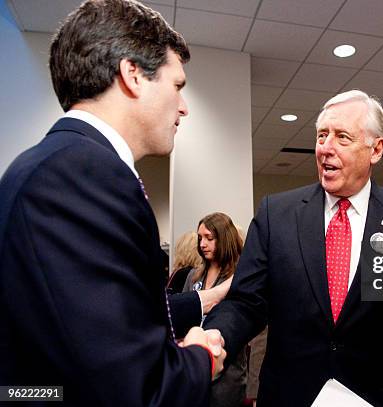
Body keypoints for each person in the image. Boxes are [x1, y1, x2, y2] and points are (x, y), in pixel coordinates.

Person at [0, 0, 225, 404]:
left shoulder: (52, 164)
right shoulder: (83, 176)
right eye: (177, 86)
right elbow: (133, 390)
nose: (184, 107)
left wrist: (205, 300)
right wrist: (201, 359)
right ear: (133, 75)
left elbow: (92, 321)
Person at [204, 90, 383, 407]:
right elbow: (247, 302)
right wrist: (217, 335)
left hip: (379, 398)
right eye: (321, 136)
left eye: (342, 137)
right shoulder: (277, 215)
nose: (325, 148)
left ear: (376, 149)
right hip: (290, 396)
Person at [182, 213, 247, 407]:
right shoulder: (194, 276)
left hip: (228, 374)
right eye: (200, 238)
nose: (202, 244)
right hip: (195, 367)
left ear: (224, 239)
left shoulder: (238, 278)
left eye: (209, 238)